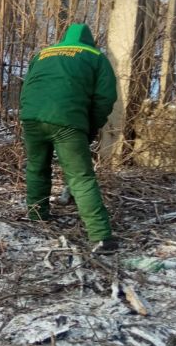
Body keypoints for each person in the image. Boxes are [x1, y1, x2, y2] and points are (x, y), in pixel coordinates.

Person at [19, 23, 118, 253]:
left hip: (32, 116)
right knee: (80, 177)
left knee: (36, 167)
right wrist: (90, 127)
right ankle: (101, 236)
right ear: (90, 41)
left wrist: (29, 113)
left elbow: (26, 88)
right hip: (68, 120)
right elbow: (104, 99)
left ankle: (37, 214)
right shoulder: (96, 57)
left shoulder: (43, 53)